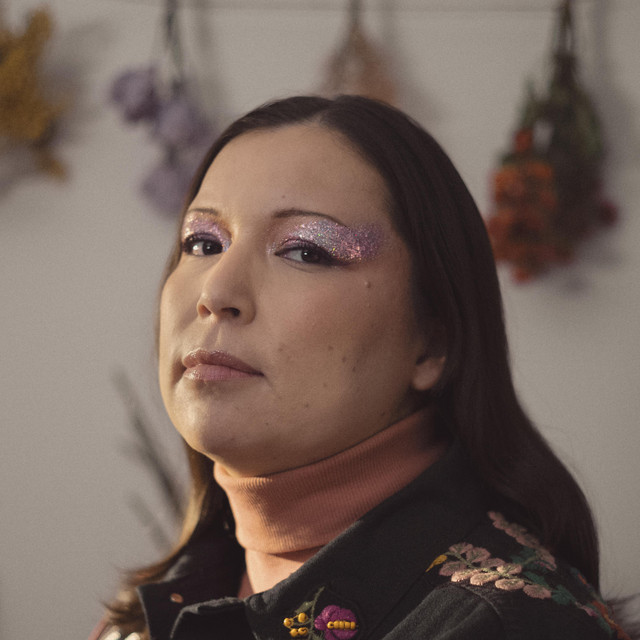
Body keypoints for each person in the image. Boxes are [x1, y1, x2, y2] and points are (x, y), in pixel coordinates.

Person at [91, 95, 632, 640]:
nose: (216, 292)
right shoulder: (149, 612)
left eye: (305, 251)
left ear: (433, 342)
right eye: (203, 243)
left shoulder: (512, 626)